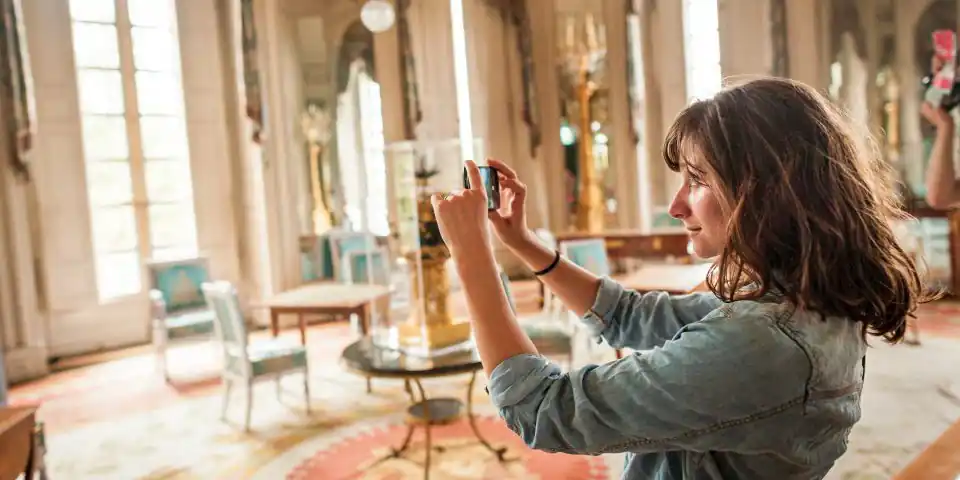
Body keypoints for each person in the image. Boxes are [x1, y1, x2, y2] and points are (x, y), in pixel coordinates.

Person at [431, 77, 925, 479]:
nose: (675, 205)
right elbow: (631, 316)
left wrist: (472, 256)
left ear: (765, 191)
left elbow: (543, 411)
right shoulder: (806, 303)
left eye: (698, 179)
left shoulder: (762, 345)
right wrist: (521, 241)